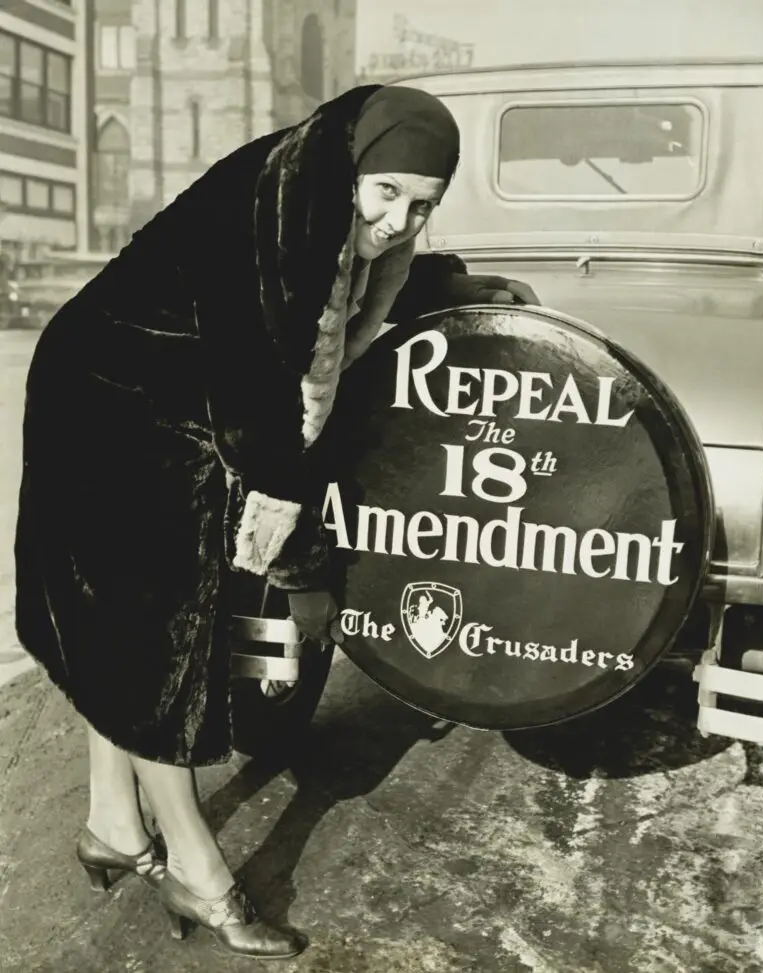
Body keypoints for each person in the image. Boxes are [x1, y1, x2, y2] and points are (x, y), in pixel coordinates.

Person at [14, 83, 538, 959]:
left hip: (167, 390)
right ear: (353, 171)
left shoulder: (332, 195)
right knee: (156, 644)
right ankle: (198, 869)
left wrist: (452, 283)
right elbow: (255, 388)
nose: (399, 221)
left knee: (121, 628)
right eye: (387, 196)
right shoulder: (271, 208)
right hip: (111, 402)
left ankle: (113, 821)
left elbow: (360, 284)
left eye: (422, 206)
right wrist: (295, 537)